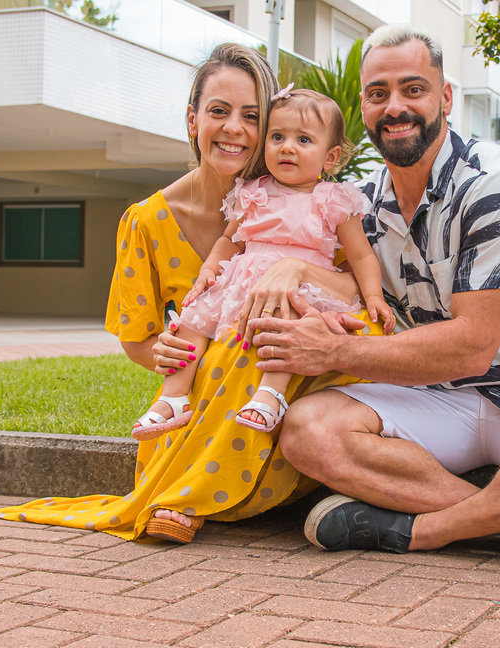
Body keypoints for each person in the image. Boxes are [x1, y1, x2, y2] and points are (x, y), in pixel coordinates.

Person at [245, 25, 500, 567]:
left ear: (445, 98)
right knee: (307, 430)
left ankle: (422, 533)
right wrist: (296, 269)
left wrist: (335, 352)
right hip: (433, 394)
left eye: (413, 90)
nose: (395, 107)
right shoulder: (357, 204)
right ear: (363, 108)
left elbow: (471, 347)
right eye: (377, 93)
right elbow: (346, 285)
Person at [0, 44, 379, 545]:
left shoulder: (310, 207)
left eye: (252, 116)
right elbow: (136, 339)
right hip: (198, 397)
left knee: (297, 332)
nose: (234, 128)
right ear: (193, 119)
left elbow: (355, 290)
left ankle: (192, 495)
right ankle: (183, 489)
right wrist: (165, 353)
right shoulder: (147, 221)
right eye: (219, 111)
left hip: (278, 377)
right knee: (230, 344)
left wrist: (295, 267)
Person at [130, 87, 394, 440]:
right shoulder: (252, 191)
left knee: (286, 326)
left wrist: (374, 296)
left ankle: (271, 395)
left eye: (303, 139)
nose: (287, 147)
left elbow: (361, 255)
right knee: (192, 319)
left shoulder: (333, 199)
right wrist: (209, 269)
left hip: (298, 288)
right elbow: (229, 240)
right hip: (240, 282)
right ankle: (173, 397)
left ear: (329, 158)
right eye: (277, 136)